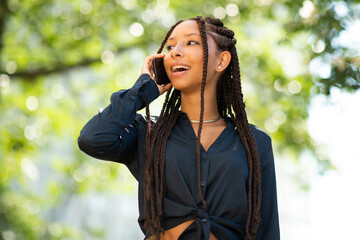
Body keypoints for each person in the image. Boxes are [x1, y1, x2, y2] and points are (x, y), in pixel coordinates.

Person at [78, 16, 280, 240]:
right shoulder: (149, 133)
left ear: (221, 60)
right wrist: (143, 90)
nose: (175, 52)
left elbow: (267, 230)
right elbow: (93, 139)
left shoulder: (255, 143)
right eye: (171, 46)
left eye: (191, 42)